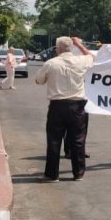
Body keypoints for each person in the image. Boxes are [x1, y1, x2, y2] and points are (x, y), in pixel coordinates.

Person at [35, 37, 94, 182]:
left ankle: (52, 174)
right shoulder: (81, 61)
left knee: (54, 140)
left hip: (57, 106)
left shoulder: (51, 63)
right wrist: (79, 44)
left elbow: (39, 81)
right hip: (77, 106)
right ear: (71, 48)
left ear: (58, 49)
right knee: (78, 141)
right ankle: (78, 173)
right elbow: (91, 56)